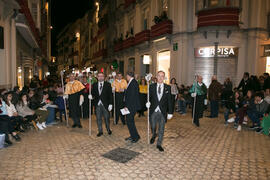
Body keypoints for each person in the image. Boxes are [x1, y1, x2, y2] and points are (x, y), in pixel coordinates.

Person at [146, 71, 173, 152]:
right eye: (159, 76)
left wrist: (170, 112)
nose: (160, 78)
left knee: (161, 128)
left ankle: (159, 144)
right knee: (153, 126)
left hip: (163, 111)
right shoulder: (151, 86)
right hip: (153, 110)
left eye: (162, 76)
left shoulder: (168, 87)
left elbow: (170, 100)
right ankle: (154, 134)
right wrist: (147, 103)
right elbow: (148, 97)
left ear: (164, 78)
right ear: (156, 77)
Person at [91, 72, 113, 137]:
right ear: (97, 77)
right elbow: (93, 94)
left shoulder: (108, 84)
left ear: (104, 77)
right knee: (98, 118)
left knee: (106, 118)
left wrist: (110, 104)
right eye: (99, 76)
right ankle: (100, 131)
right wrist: (91, 96)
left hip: (105, 104)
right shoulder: (94, 85)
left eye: (102, 76)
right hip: (97, 104)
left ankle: (108, 129)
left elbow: (110, 95)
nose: (100, 77)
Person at [124, 71, 141, 143]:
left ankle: (135, 137)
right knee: (129, 121)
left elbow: (132, 96)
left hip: (132, 106)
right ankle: (133, 135)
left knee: (130, 121)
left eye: (126, 76)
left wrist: (127, 106)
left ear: (128, 76)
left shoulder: (133, 83)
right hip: (131, 105)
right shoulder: (132, 82)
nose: (126, 77)